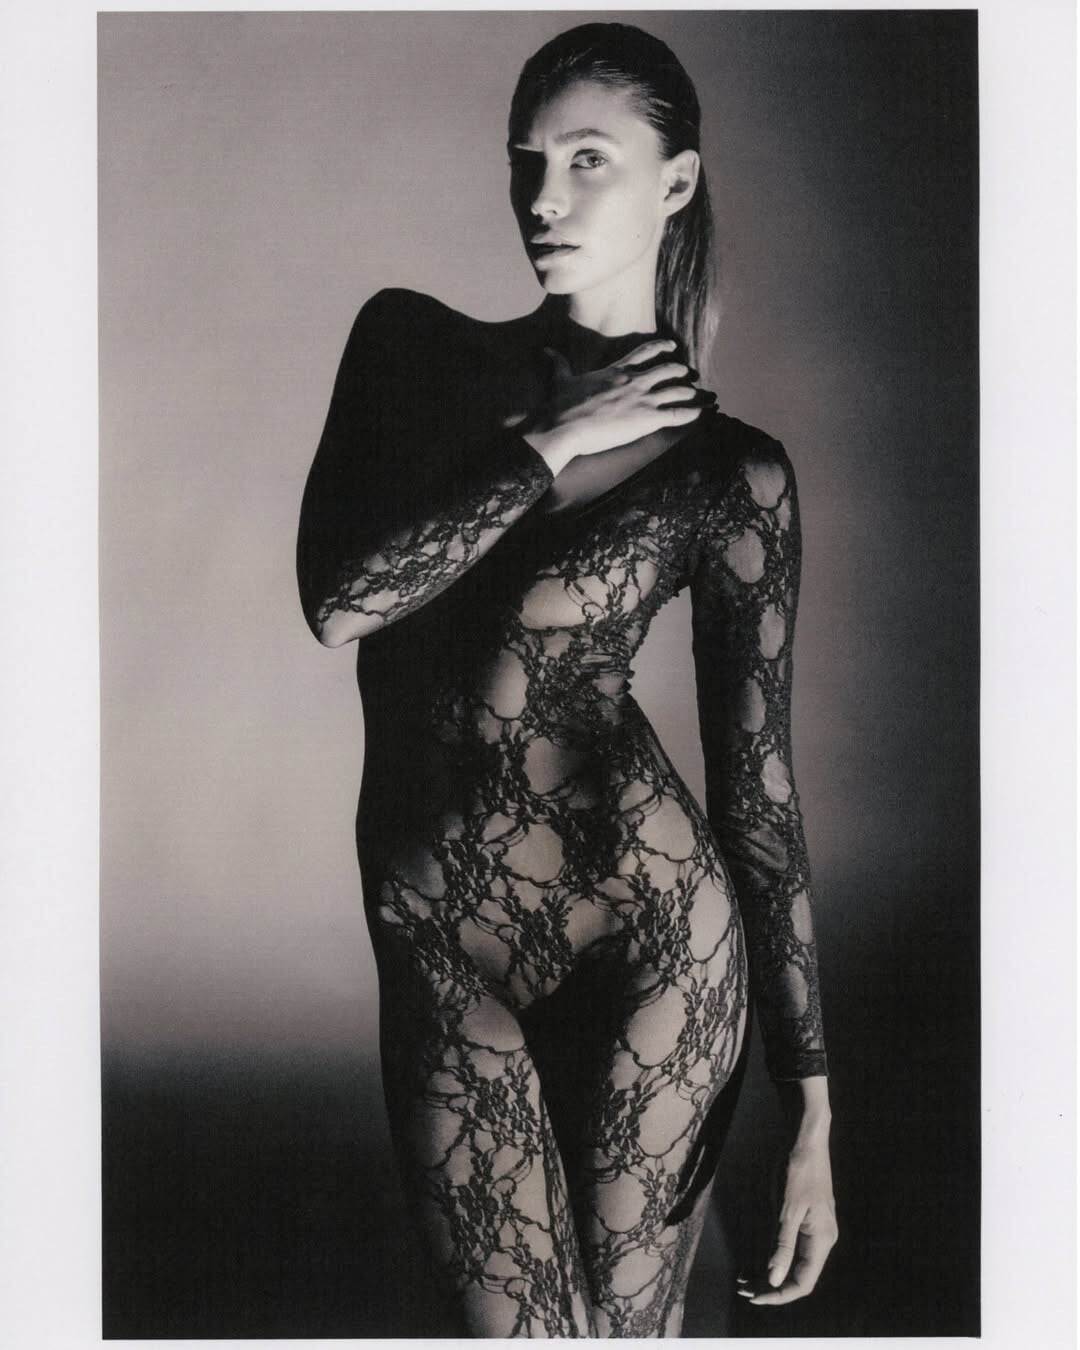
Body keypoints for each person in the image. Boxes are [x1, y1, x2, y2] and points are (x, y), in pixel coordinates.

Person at [297, 21, 837, 1337]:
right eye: (526, 160)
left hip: (656, 941)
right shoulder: (411, 350)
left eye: (588, 159)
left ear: (676, 181)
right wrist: (549, 443)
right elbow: (342, 602)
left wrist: (813, 1108)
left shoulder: (730, 474)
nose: (543, 197)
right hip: (439, 935)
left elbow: (758, 797)